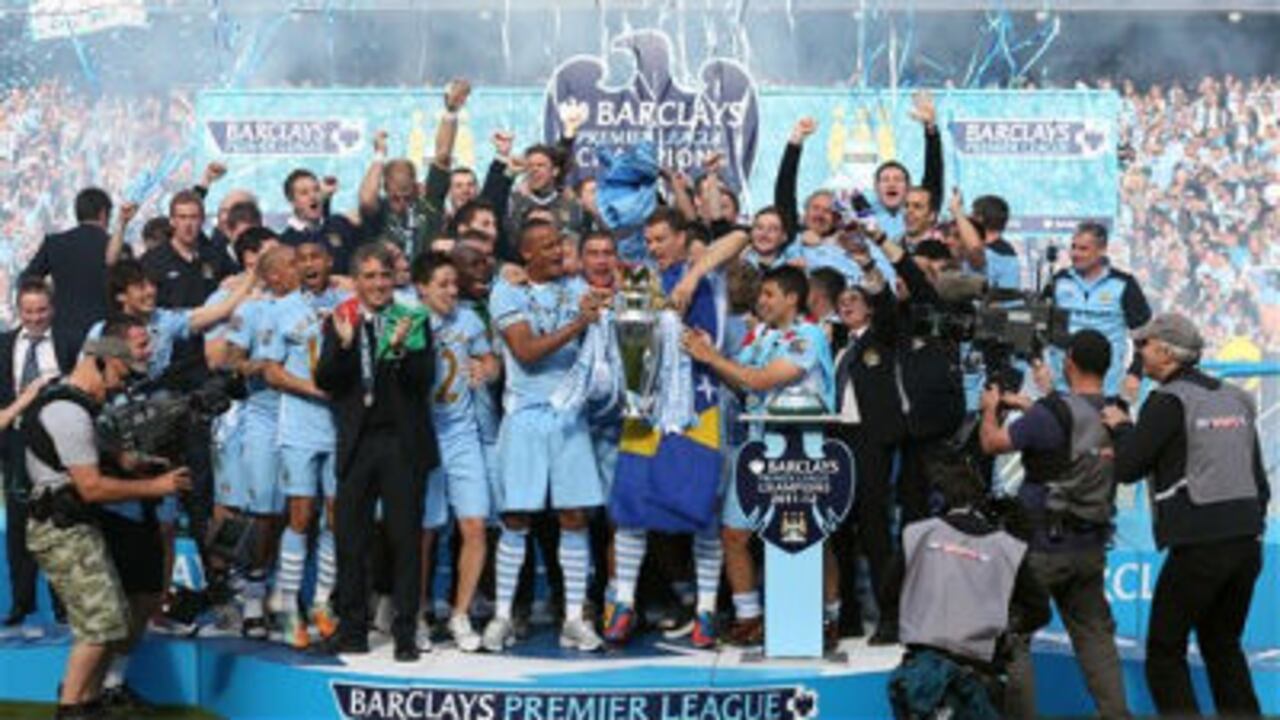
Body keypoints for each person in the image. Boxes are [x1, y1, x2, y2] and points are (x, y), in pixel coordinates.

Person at [22, 323, 190, 719]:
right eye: (119, 375)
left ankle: (88, 703)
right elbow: (92, 488)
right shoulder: (67, 412)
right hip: (62, 529)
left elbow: (101, 463)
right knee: (100, 625)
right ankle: (71, 709)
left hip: (73, 526)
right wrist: (156, 486)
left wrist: (134, 463)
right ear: (104, 361)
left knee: (111, 621)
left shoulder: (76, 405)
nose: (119, 387)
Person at [1105, 313, 1270, 716]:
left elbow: (1127, 467)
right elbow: (1258, 479)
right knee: (1222, 645)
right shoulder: (1236, 396)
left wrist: (1122, 426)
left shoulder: (1168, 400)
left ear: (1165, 351)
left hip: (1200, 542)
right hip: (1247, 539)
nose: (1139, 353)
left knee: (1165, 651)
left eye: (1144, 345)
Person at [978, 330, 1129, 720]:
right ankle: (1116, 713)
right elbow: (1067, 429)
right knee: (1095, 636)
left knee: (1015, 637)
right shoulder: (1115, 411)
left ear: (1070, 363)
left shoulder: (1052, 413)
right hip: (1091, 544)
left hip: (1040, 546)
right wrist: (1032, 405)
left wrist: (990, 407)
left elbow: (993, 443)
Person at [682, 265, 834, 646]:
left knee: (810, 537)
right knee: (734, 534)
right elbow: (739, 376)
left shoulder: (808, 337)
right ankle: (749, 617)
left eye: (768, 294)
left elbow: (762, 379)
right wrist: (710, 353)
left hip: (799, 449)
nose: (760, 301)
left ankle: (829, 616)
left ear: (791, 298)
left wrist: (713, 358)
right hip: (756, 445)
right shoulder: (761, 337)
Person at [482, 219, 606, 653]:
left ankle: (573, 618)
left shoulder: (576, 289)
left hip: (569, 418)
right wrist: (578, 325)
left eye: (561, 243)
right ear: (528, 255)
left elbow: (608, 306)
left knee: (574, 517)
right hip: (524, 419)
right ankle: (501, 616)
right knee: (516, 519)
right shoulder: (506, 292)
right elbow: (526, 353)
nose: (559, 251)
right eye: (550, 246)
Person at [607, 210, 725, 649]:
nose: (654, 247)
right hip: (643, 410)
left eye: (661, 239)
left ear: (682, 238)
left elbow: (740, 238)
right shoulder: (639, 283)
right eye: (649, 240)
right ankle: (623, 603)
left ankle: (707, 610)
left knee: (701, 512)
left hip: (695, 407)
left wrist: (694, 274)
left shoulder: (706, 281)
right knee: (630, 509)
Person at [316, 243, 437, 662]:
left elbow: (424, 380)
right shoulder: (342, 318)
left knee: (405, 540)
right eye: (369, 276)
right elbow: (327, 379)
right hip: (358, 443)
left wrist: (399, 349)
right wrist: (348, 347)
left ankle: (405, 632)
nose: (379, 284)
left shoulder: (412, 318)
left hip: (401, 444)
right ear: (357, 281)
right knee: (351, 539)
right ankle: (352, 630)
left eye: (384, 276)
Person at [888, 460, 1047, 720]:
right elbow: (1039, 611)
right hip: (980, 676)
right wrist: (1004, 628)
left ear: (937, 500)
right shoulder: (1007, 547)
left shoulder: (916, 534)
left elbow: (887, 594)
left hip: (923, 675)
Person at [259, 237, 348, 649]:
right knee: (301, 514)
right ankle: (288, 606)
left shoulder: (349, 303)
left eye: (316, 257)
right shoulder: (278, 311)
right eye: (302, 259)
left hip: (341, 427)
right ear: (293, 268)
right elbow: (271, 373)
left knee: (335, 515)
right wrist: (315, 391)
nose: (310, 264)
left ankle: (322, 603)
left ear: (329, 262)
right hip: (298, 428)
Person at [412, 253, 498, 652]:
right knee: (425, 533)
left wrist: (488, 369)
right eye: (442, 284)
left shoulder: (469, 319)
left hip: (463, 435)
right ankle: (417, 614)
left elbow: (489, 357)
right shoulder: (407, 319)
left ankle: (460, 613)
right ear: (421, 288)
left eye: (453, 284)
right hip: (423, 436)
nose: (451, 291)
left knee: (475, 526)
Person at [831, 252, 906, 642]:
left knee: (875, 532)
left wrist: (868, 269)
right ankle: (848, 616)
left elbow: (890, 308)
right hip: (838, 442)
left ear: (871, 309)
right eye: (841, 301)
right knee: (840, 531)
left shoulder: (883, 338)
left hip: (871, 443)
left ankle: (890, 617)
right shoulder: (838, 349)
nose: (846, 305)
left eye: (855, 300)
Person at [1, 279, 79, 627]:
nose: (35, 318)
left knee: (61, 521)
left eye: (41, 311)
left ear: (53, 309)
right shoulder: (4, 345)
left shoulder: (69, 342)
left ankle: (65, 604)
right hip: (16, 444)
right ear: (19, 311)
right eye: (28, 311)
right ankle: (22, 602)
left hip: (59, 444)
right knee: (19, 525)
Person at [358, 79, 471, 258]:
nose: (402, 203)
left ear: (416, 185)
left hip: (427, 282)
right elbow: (365, 200)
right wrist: (379, 155)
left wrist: (451, 111)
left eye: (407, 196)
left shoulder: (429, 203)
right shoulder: (379, 212)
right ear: (385, 188)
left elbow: (442, 156)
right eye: (396, 198)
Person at [1046, 221, 1152, 401]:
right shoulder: (1058, 281)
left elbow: (1145, 334)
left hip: (1107, 391)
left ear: (1102, 250)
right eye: (1073, 247)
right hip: (1063, 389)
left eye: (1083, 249)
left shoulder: (1124, 284)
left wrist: (1135, 372)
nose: (1075, 254)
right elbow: (1039, 325)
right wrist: (1038, 365)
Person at [20, 187, 114, 345]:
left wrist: (50, 292)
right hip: (104, 335)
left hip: (62, 330)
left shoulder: (54, 244)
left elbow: (26, 279)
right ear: (103, 214)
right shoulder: (115, 247)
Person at [278, 169, 363, 275]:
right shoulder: (286, 242)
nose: (313, 196)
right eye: (304, 193)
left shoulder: (339, 224)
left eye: (316, 190)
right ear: (292, 200)